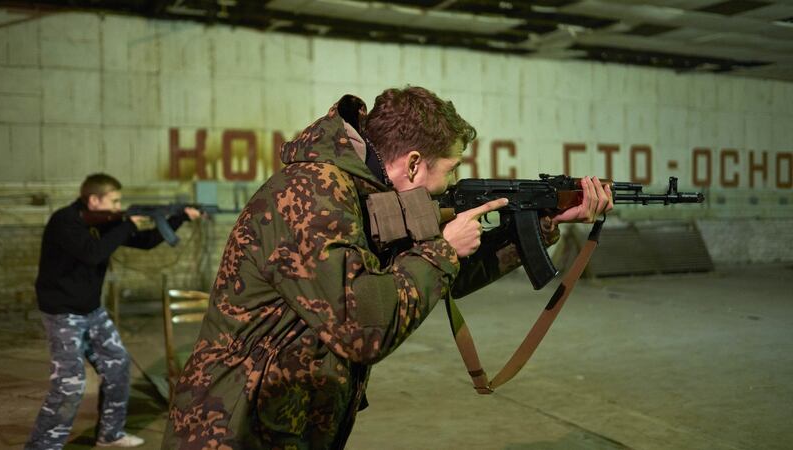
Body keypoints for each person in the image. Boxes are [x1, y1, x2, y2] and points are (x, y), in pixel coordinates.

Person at [162, 87, 612, 449]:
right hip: (231, 428)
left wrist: (543, 224)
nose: (451, 184)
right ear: (414, 163)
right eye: (451, 169)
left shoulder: (363, 195)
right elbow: (363, 326)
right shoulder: (313, 194)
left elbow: (438, 279)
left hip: (280, 421)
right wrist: (443, 250)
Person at [26, 173, 201, 449]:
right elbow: (92, 253)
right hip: (63, 314)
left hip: (92, 311)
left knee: (118, 365)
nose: (119, 206)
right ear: (94, 200)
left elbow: (146, 241)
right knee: (69, 386)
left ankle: (110, 434)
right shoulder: (65, 221)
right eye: (115, 201)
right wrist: (127, 224)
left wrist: (180, 218)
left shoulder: (106, 222)